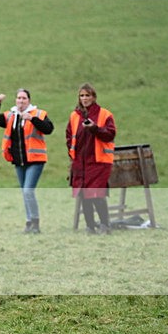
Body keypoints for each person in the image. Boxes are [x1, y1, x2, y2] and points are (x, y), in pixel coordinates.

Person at [0, 89, 54, 233]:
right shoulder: (12, 115)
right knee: (25, 192)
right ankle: (29, 222)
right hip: (19, 161)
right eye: (19, 98)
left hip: (35, 159)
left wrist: (32, 119)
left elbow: (49, 129)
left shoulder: (38, 114)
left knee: (28, 191)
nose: (21, 101)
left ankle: (35, 223)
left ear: (29, 100)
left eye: (24, 98)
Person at [66, 83, 117, 234]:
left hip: (99, 162)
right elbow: (69, 136)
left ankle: (105, 225)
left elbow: (110, 134)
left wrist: (94, 128)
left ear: (94, 97)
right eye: (82, 95)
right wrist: (71, 153)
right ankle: (90, 226)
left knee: (96, 194)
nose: (85, 98)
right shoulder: (74, 115)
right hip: (79, 162)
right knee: (83, 195)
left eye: (87, 95)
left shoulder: (105, 114)